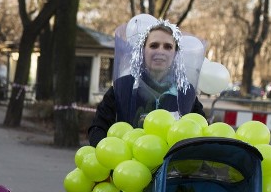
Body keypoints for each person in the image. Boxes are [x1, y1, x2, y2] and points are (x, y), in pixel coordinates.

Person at [88, 17, 206, 146]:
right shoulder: (123, 87)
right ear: (143, 51)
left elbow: (202, 131)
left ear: (175, 54)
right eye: (154, 45)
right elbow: (97, 129)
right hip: (128, 164)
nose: (160, 51)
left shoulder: (185, 91)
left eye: (168, 47)